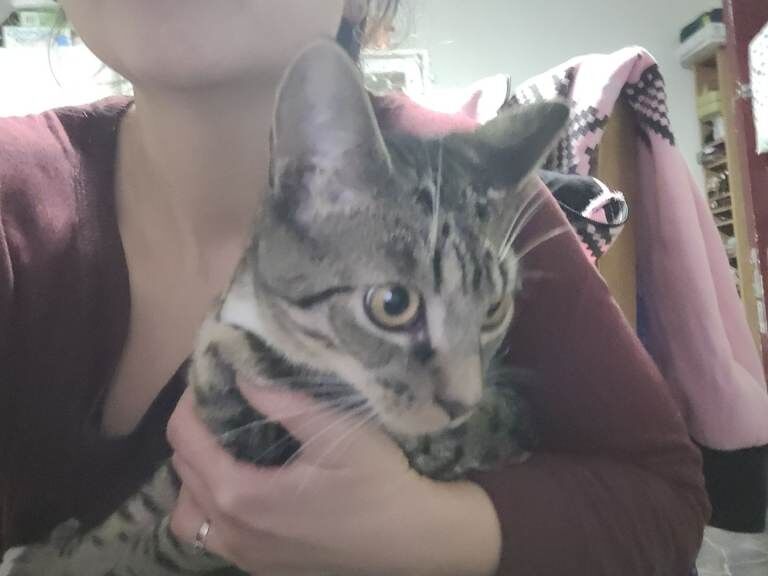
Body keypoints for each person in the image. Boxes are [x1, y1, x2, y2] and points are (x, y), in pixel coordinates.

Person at [0, 1, 710, 574]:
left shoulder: (485, 195)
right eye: (394, 304)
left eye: (490, 310)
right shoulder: (14, 190)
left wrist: (435, 534)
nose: (462, 393)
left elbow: (670, 504)